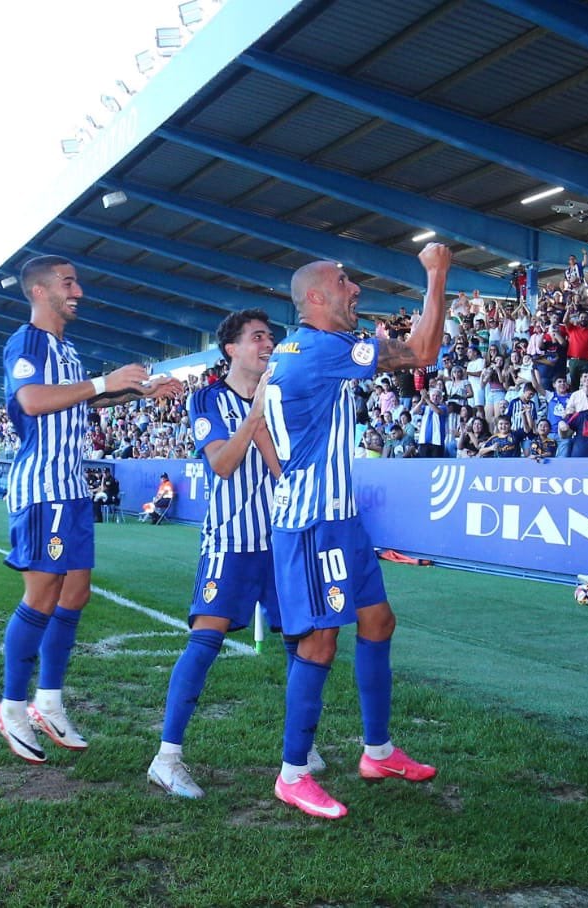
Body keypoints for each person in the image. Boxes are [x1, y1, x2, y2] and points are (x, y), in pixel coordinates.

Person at [261, 244, 448, 819]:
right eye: (344, 282)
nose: (355, 289)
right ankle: (293, 775)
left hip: (335, 517)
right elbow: (423, 350)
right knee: (321, 640)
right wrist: (437, 273)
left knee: (377, 619)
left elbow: (266, 434)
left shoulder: (297, 352)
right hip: (315, 523)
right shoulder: (320, 348)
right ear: (315, 298)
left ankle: (378, 751)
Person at [0, 254, 185, 764]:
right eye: (68, 282)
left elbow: (79, 402)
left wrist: (136, 393)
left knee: (74, 594)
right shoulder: (27, 342)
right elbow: (32, 400)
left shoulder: (67, 350)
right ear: (39, 291)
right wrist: (107, 380)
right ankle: (11, 706)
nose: (78, 290)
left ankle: (48, 701)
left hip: (72, 489)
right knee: (42, 594)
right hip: (43, 487)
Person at [149, 309, 295, 799]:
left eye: (271, 336)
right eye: (258, 336)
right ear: (230, 348)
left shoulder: (283, 396)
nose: (268, 343)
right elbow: (223, 465)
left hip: (280, 540)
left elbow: (286, 468)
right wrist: (255, 419)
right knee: (205, 641)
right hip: (230, 542)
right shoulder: (208, 398)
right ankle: (167, 758)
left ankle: (300, 748)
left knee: (304, 641)